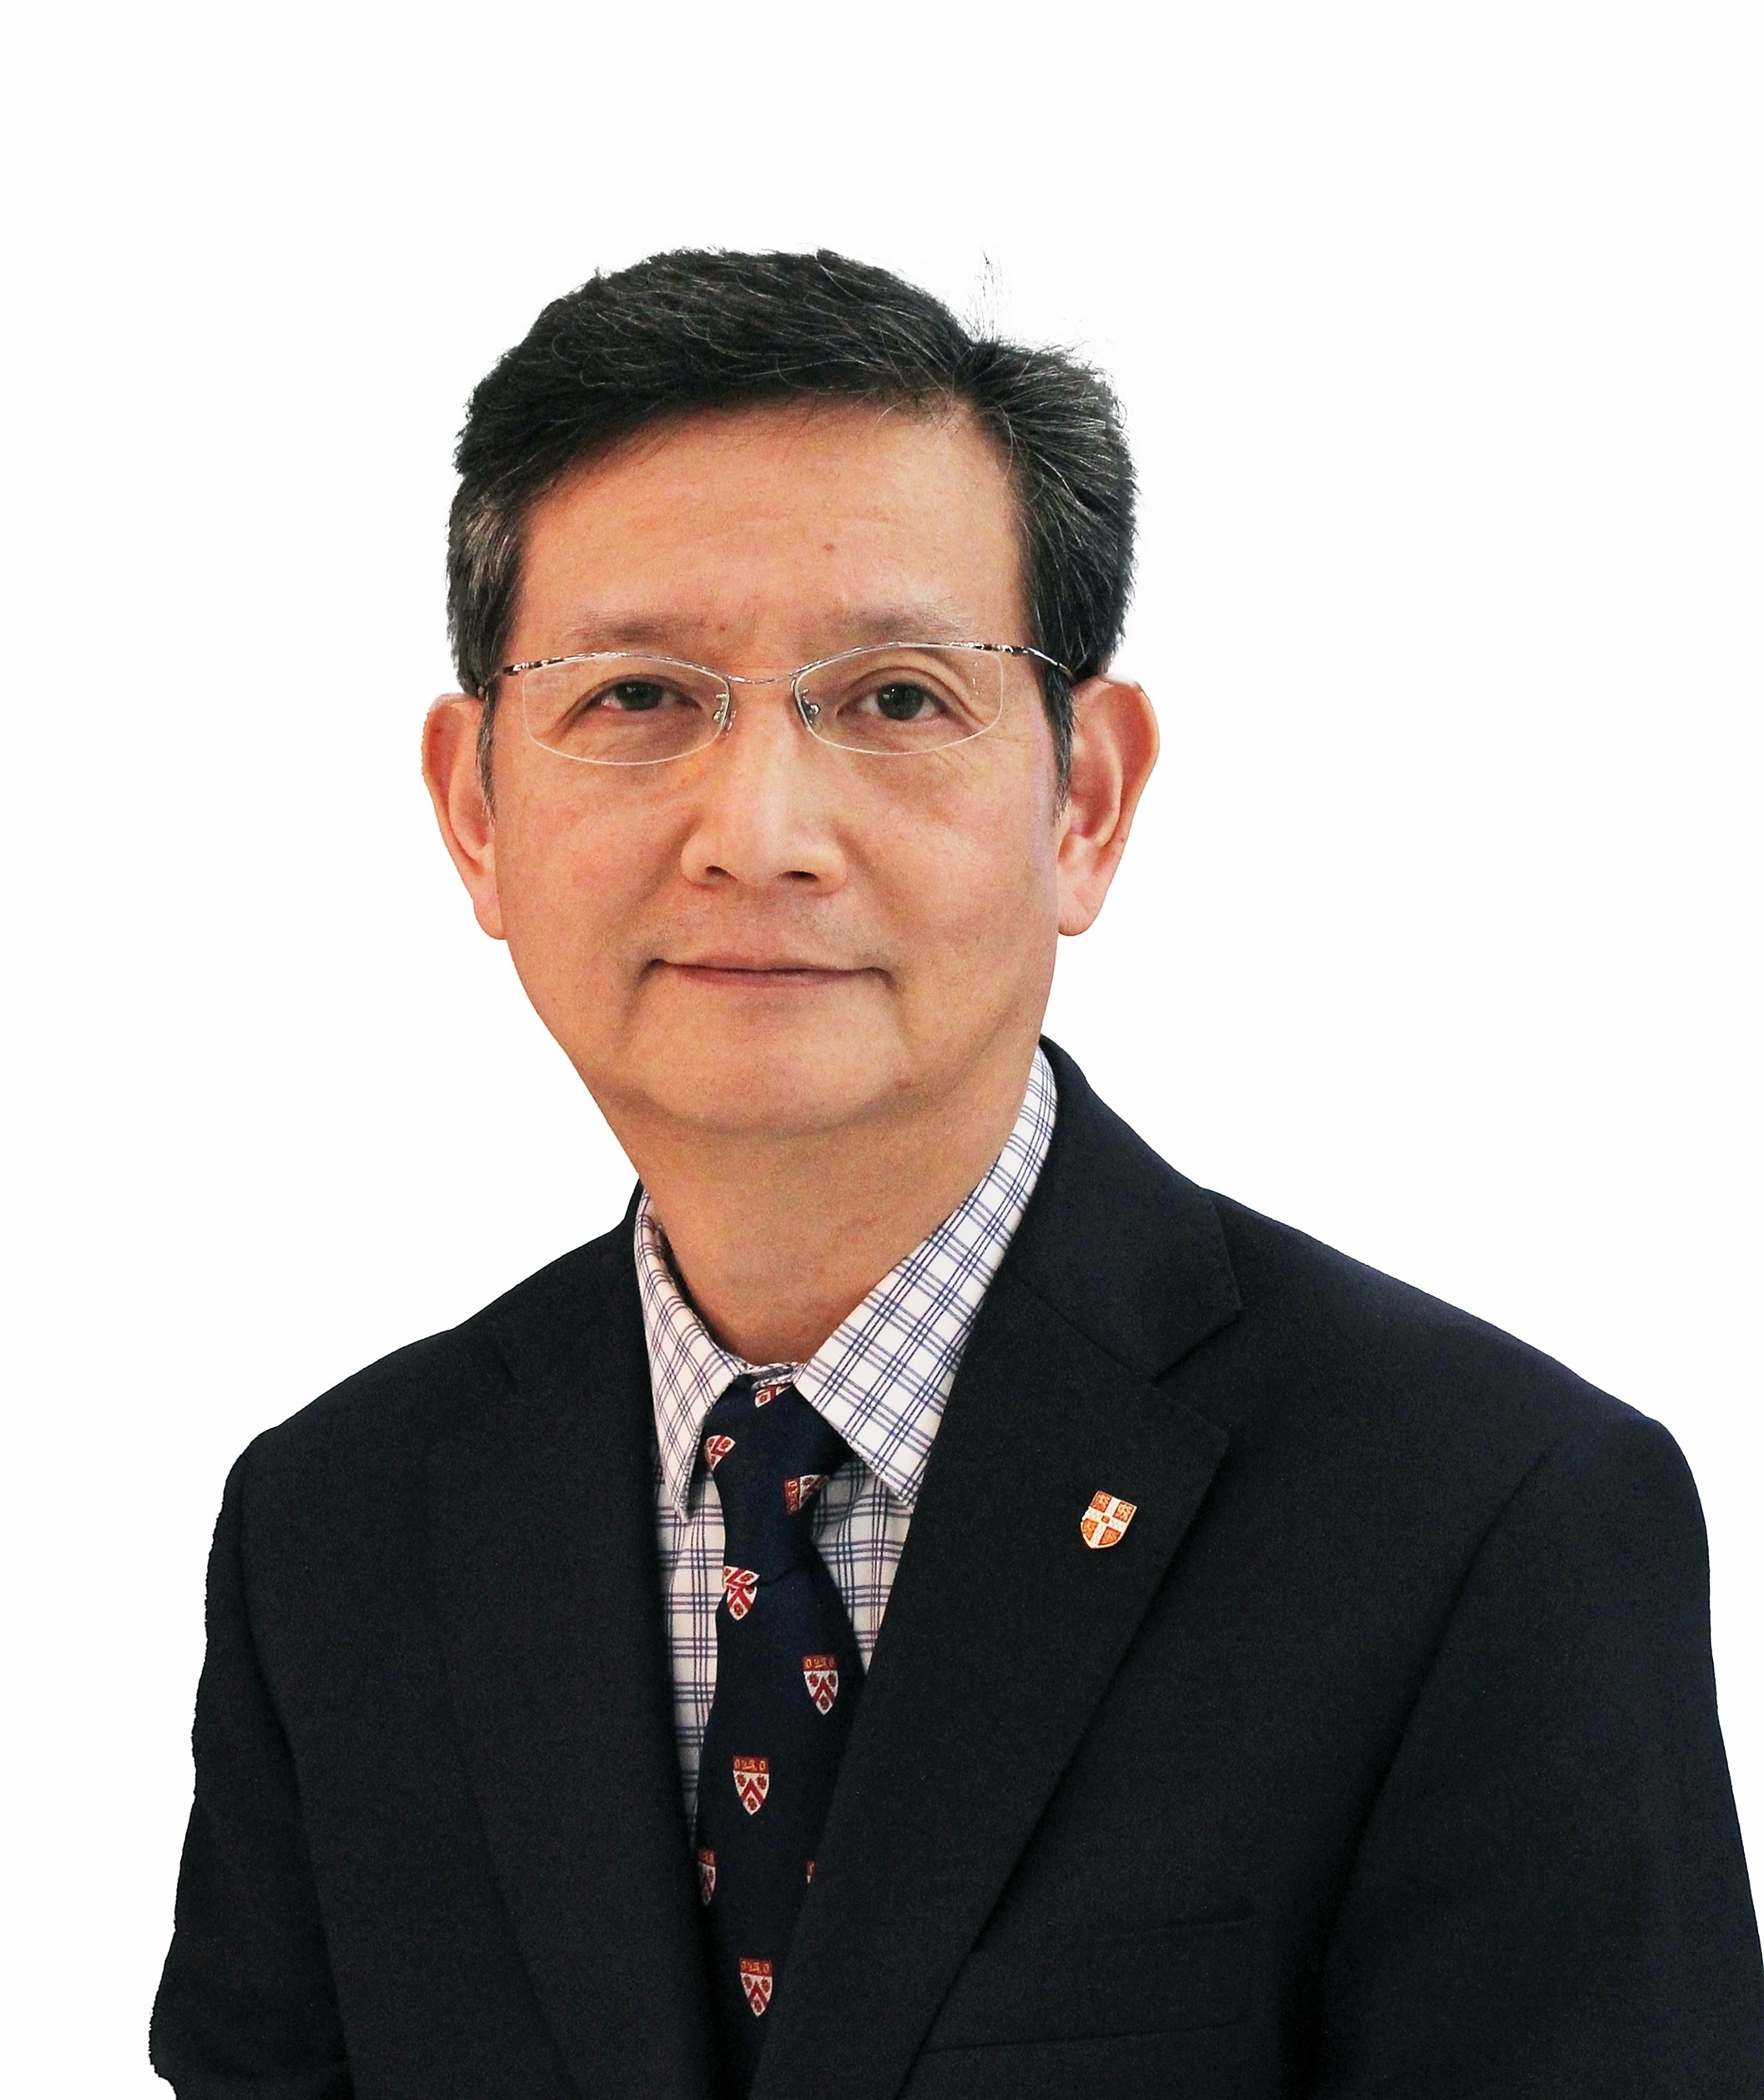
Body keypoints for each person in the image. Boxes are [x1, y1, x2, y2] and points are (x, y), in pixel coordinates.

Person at [151, 249, 1763, 2100]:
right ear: (475, 811)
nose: (759, 834)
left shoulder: (1484, 1521)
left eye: (898, 699)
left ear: (1085, 801)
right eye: (640, 696)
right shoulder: (340, 1534)